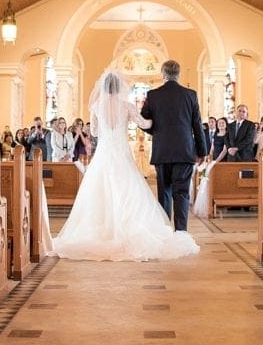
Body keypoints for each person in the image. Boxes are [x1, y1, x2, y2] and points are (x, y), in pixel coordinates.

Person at [53, 69, 199, 261]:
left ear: (104, 87)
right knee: (128, 189)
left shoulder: (96, 105)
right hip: (121, 153)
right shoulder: (127, 106)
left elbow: (95, 133)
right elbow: (145, 124)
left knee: (100, 190)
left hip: (105, 153)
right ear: (120, 87)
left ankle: (102, 230)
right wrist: (162, 118)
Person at [140, 59, 208, 232]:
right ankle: (181, 232)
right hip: (184, 150)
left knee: (164, 193)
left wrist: (157, 132)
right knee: (182, 193)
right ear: (178, 75)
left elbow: (143, 122)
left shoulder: (153, 95)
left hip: (162, 151)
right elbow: (197, 125)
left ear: (163, 74)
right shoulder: (190, 94)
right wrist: (202, 151)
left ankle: (164, 231)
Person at [192, 147, 226, 218]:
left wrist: (215, 161)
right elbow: (211, 151)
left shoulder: (226, 137)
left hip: (221, 161)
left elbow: (224, 150)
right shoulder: (214, 137)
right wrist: (209, 159)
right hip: (214, 160)